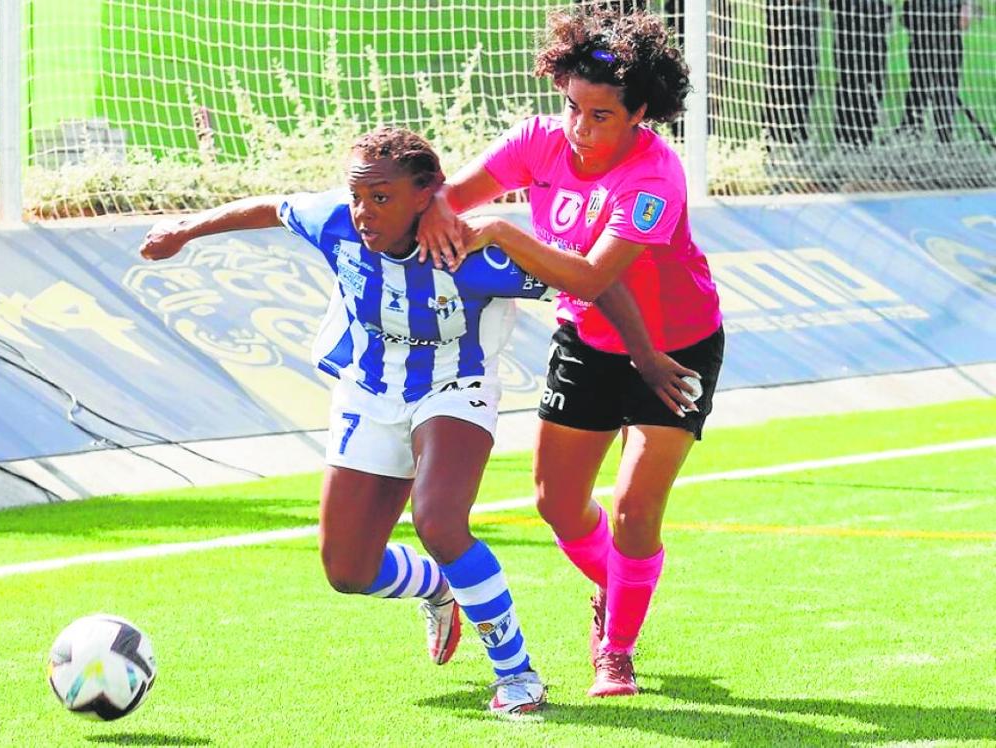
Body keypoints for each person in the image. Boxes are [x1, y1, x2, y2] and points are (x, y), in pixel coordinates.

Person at [137, 127, 596, 715]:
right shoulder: (335, 221)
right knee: (347, 570)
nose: (362, 211)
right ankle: (437, 586)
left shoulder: (474, 250)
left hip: (456, 387)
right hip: (368, 389)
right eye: (358, 196)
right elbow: (270, 208)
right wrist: (184, 229)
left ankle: (518, 676)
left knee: (438, 521)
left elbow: (588, 281)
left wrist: (646, 355)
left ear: (426, 194)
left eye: (381, 197)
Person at [418, 6, 724, 698]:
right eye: (571, 109)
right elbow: (446, 196)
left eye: (601, 116)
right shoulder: (538, 141)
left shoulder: (656, 177)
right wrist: (428, 211)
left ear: (640, 112)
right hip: (589, 339)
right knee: (557, 505)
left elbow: (589, 275)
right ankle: (616, 590)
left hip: (673, 348)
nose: (579, 131)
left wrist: (496, 228)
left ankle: (615, 646)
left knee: (635, 512)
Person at [900, 0, 970, 143]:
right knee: (920, 80)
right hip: (921, 12)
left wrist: (966, 6)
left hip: (947, 14)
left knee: (947, 80)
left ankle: (944, 135)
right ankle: (912, 131)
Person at [829, 0, 893, 147]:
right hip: (848, 25)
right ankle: (847, 137)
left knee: (872, 79)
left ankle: (865, 134)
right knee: (850, 81)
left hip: (873, 23)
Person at [766, 0, 821, 145]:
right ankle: (771, 131)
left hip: (806, 15)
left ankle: (798, 130)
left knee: (806, 73)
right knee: (779, 72)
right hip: (782, 15)